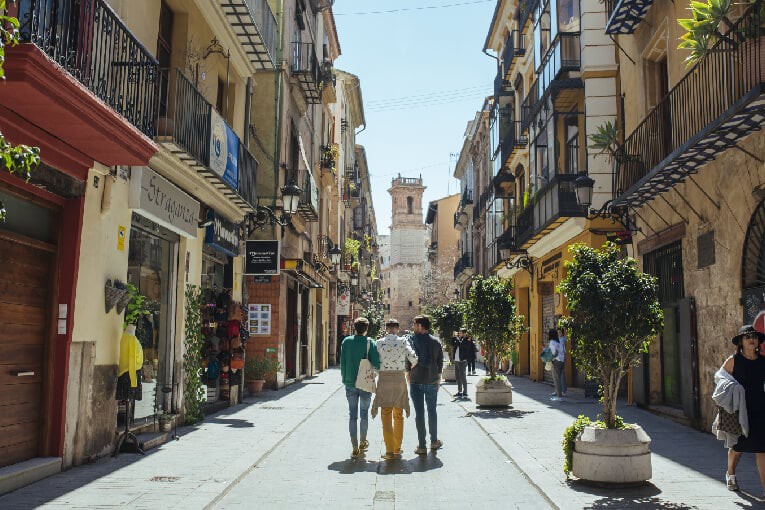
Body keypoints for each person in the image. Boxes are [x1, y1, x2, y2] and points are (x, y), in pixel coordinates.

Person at [718, 325, 765, 494]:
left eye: (754, 336)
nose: (751, 339)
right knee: (737, 447)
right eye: (747, 337)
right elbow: (720, 378)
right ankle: (730, 474)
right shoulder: (734, 360)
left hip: (761, 409)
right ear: (741, 342)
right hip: (740, 410)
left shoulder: (763, 361)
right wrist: (733, 388)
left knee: (762, 448)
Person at [372, 319, 418, 460]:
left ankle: (389, 450)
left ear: (386, 329)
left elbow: (373, 363)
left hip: (384, 380)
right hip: (399, 380)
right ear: (398, 329)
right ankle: (397, 448)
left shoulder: (379, 343)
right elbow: (414, 358)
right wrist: (408, 369)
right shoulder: (403, 341)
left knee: (386, 414)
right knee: (398, 415)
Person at [340, 317, 381, 459]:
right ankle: (363, 442)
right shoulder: (370, 343)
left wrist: (344, 378)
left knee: (352, 415)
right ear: (366, 329)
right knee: (364, 414)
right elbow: (377, 363)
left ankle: (354, 447)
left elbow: (343, 362)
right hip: (365, 384)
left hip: (350, 383)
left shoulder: (346, 342)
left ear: (354, 327)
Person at [406, 315, 444, 455]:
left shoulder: (412, 340)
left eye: (415, 324)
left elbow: (407, 358)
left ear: (420, 326)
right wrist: (439, 378)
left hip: (416, 380)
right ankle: (434, 441)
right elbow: (440, 361)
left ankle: (422, 446)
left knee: (420, 413)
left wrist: (408, 374)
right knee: (432, 411)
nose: (413, 327)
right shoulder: (436, 341)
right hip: (432, 380)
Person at [548, 329, 565, 401]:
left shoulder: (552, 342)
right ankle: (560, 394)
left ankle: (559, 397)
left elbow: (553, 352)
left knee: (556, 379)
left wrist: (550, 358)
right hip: (562, 360)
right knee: (560, 378)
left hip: (556, 361)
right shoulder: (559, 341)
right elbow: (562, 351)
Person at [453, 331, 471, 398]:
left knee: (462, 376)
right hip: (457, 360)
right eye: (459, 333)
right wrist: (454, 337)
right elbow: (453, 344)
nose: (459, 334)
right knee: (457, 377)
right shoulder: (459, 339)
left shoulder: (467, 339)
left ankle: (465, 392)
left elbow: (461, 345)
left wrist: (457, 339)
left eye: (460, 333)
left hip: (462, 361)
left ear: (464, 333)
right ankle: (459, 392)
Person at [556, 326, 568, 396]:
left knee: (561, 375)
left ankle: (563, 390)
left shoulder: (563, 339)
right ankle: (557, 390)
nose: (558, 334)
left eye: (560, 332)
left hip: (561, 358)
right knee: (556, 375)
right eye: (557, 332)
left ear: (562, 333)